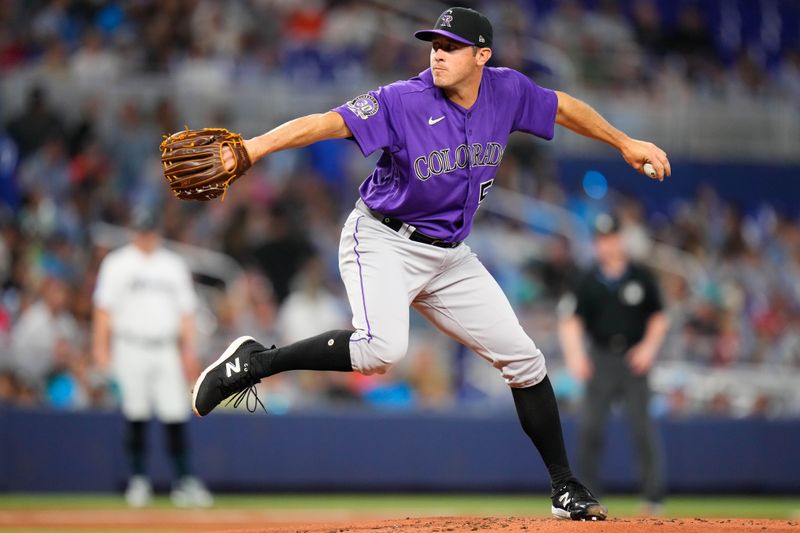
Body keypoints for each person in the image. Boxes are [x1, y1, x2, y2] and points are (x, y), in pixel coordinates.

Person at [191, 7, 670, 521]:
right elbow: (326, 123)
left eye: (451, 46)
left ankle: (565, 487)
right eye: (434, 44)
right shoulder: (404, 99)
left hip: (449, 257)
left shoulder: (507, 91)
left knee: (527, 362)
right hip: (381, 238)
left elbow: (563, 108)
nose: (437, 53)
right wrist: (255, 148)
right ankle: (256, 362)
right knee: (381, 349)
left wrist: (624, 141)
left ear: (481, 55)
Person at [92, 208, 212, 508]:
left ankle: (184, 481)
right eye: (142, 231)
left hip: (165, 347)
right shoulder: (118, 263)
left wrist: (189, 353)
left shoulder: (172, 265)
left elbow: (187, 313)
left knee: (175, 413)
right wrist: (101, 348)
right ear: (134, 231)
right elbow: (103, 309)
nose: (147, 237)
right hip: (130, 345)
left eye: (150, 231)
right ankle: (138, 480)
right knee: (136, 413)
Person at [558, 213, 669, 515]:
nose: (606, 245)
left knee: (643, 429)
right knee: (591, 429)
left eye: (611, 238)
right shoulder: (587, 278)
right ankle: (590, 496)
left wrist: (648, 348)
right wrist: (576, 357)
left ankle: (653, 498)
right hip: (601, 357)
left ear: (621, 239)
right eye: (601, 240)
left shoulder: (640, 275)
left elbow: (659, 316)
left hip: (634, 359)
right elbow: (570, 320)